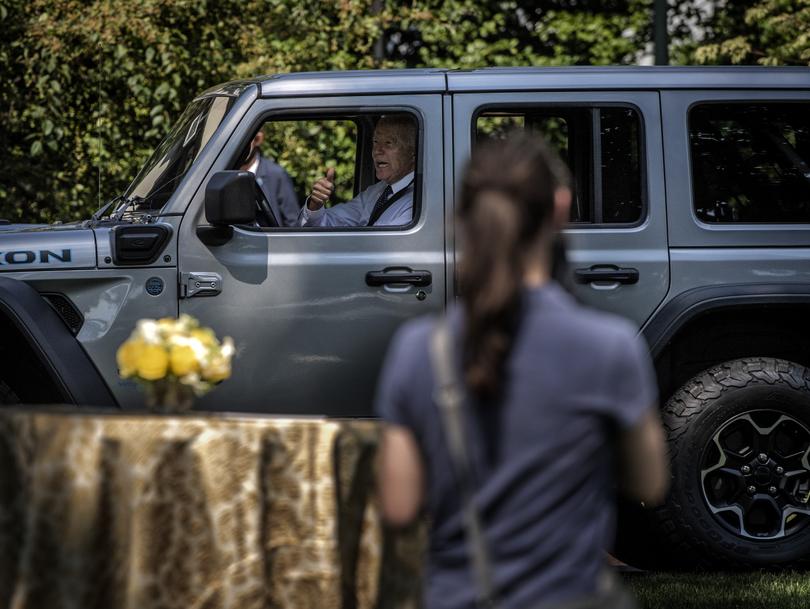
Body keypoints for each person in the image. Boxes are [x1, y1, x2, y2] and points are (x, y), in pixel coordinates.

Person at [374, 134, 668, 609]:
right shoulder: (610, 347)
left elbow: (398, 504)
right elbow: (650, 483)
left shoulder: (417, 350)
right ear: (560, 207)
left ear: (464, 216)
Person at [298, 115, 416, 227]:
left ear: (413, 152)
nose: (377, 151)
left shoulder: (418, 200)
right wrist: (315, 205)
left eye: (388, 143)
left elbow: (385, 245)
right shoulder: (375, 192)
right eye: (375, 142)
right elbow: (327, 224)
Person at [240, 130, 300, 226]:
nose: (239, 146)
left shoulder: (276, 174)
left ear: (258, 139)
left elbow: (293, 222)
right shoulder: (225, 172)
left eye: (243, 139)